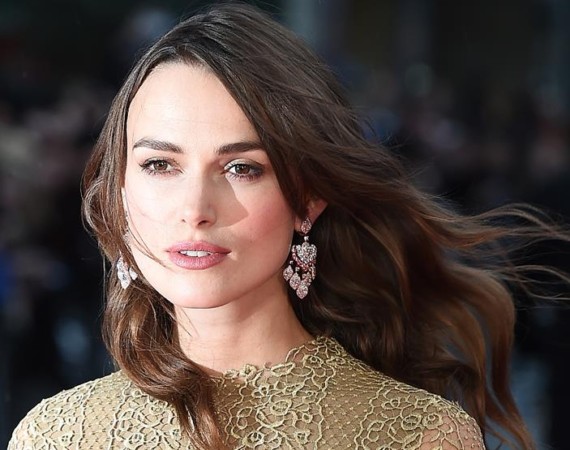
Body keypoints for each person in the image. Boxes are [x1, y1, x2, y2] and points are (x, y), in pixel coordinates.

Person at [9, 3, 563, 449]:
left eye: (241, 168)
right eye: (160, 165)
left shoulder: (419, 434)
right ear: (119, 192)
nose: (195, 208)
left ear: (307, 199)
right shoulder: (54, 434)